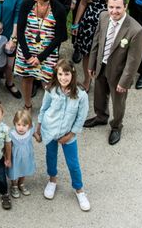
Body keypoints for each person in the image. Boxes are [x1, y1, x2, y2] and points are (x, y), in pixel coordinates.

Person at [84, 0, 142, 145]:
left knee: (118, 102)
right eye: (111, 7)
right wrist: (92, 64)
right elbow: (96, 42)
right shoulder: (103, 17)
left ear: (125, 7)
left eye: (118, 8)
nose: (114, 11)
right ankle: (101, 116)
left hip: (119, 72)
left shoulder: (136, 30)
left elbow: (133, 61)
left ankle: (117, 126)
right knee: (99, 94)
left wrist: (125, 82)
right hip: (101, 65)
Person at [35, 59, 90, 212]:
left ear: (72, 74)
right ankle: (52, 180)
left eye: (66, 74)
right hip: (50, 129)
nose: (63, 78)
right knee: (51, 156)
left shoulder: (81, 95)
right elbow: (44, 109)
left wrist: (71, 134)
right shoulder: (51, 89)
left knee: (73, 164)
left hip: (68, 133)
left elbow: (81, 117)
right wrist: (38, 127)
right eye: (60, 74)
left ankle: (79, 190)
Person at [15, 0, 68, 111]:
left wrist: (40, 57)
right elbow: (20, 31)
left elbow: (59, 37)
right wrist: (28, 56)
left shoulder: (59, 9)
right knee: (27, 78)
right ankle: (28, 105)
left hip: (47, 52)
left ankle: (48, 108)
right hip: (27, 50)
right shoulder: (26, 5)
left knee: (48, 81)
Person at [72, 0, 124, 91]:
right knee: (87, 53)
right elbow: (83, 2)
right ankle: (87, 80)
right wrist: (76, 23)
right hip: (89, 24)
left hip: (108, 25)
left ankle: (103, 81)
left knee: (105, 54)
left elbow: (122, 9)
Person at [8, 109, 36, 198]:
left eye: (24, 125)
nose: (21, 127)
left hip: (27, 155)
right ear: (15, 123)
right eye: (18, 124)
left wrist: (38, 137)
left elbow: (34, 133)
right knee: (14, 170)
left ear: (29, 125)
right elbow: (8, 146)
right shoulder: (11, 134)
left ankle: (21, 183)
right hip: (15, 157)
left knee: (24, 168)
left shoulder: (30, 130)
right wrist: (7, 158)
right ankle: (14, 185)